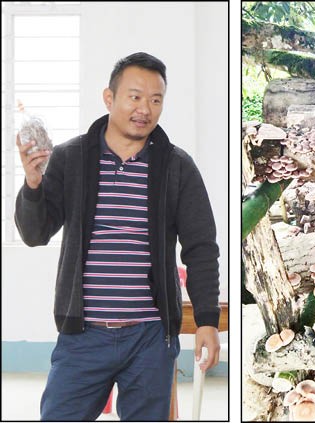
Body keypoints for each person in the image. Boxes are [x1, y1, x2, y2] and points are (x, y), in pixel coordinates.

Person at [14, 52, 221, 421]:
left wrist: (207, 320)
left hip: (150, 337)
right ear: (109, 98)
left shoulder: (177, 166)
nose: (145, 108)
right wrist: (32, 185)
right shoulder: (70, 158)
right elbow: (35, 233)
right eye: (135, 96)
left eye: (156, 100)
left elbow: (201, 247)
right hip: (82, 335)